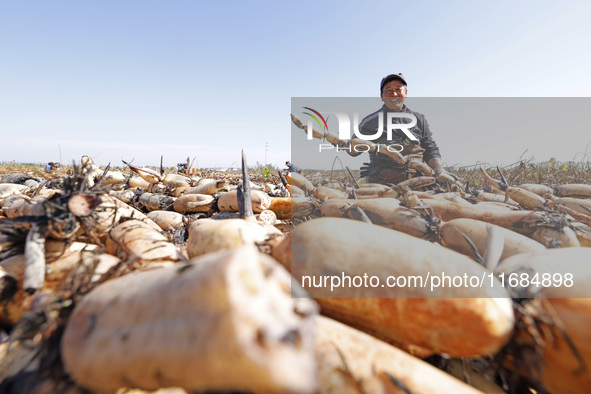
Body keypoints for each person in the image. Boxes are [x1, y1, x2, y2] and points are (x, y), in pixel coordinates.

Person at [348, 73, 454, 184]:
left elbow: (430, 148)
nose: (394, 94)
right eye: (388, 90)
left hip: (417, 181)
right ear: (382, 96)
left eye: (398, 89)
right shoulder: (370, 122)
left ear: (406, 93)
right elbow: (354, 151)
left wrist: (439, 170)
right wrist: (346, 145)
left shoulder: (419, 119)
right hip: (382, 184)